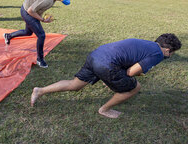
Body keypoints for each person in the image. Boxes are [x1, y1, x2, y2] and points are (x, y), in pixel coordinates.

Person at [30, 34, 182, 118]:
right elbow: (131, 72)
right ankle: (104, 109)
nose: (170, 55)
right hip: (107, 64)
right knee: (134, 88)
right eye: (172, 53)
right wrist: (136, 74)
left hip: (96, 55)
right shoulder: (158, 54)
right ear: (168, 50)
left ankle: (40, 90)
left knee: (74, 85)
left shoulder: (146, 43)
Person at [3, 0, 73, 68]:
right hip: (27, 12)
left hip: (29, 10)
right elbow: (30, 11)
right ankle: (40, 59)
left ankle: (8, 36)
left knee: (28, 32)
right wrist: (43, 20)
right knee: (41, 35)